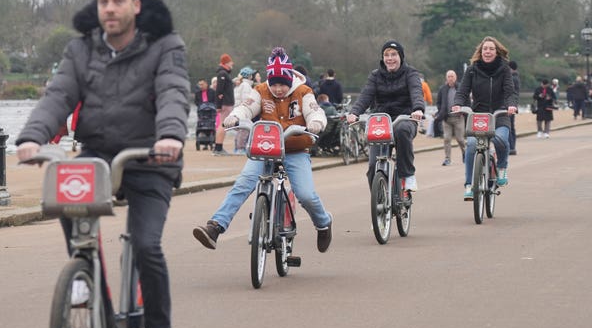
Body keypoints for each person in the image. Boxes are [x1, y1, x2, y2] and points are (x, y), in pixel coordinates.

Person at [15, 0, 188, 328]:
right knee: (63, 187)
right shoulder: (81, 48)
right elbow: (59, 95)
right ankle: (86, 276)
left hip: (149, 156)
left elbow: (173, 92)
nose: (108, 9)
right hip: (98, 153)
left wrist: (169, 137)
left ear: (136, 5)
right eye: (103, 2)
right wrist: (32, 137)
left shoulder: (166, 46)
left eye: (117, 1)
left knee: (146, 244)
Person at [192, 47, 333, 253]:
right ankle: (215, 227)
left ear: (289, 81)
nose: (277, 89)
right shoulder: (260, 90)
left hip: (295, 149)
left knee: (306, 194)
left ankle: (323, 223)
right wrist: (236, 117)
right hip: (265, 149)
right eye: (273, 84)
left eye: (281, 85)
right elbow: (246, 106)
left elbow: (315, 112)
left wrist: (316, 124)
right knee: (243, 183)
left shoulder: (304, 92)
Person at [346, 40, 424, 191]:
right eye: (386, 55)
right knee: (373, 166)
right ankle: (380, 199)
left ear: (400, 56)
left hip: (406, 118)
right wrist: (354, 113)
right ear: (382, 58)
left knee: (401, 131)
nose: (390, 58)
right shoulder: (375, 76)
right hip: (381, 122)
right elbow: (365, 96)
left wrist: (418, 109)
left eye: (393, 54)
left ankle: (408, 175)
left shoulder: (411, 73)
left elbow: (416, 92)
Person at [452, 36, 517, 201]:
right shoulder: (472, 70)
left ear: (497, 52)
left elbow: (510, 91)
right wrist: (458, 104)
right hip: (479, 115)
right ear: (480, 52)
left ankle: (502, 166)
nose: (488, 52)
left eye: (491, 49)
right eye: (485, 49)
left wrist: (510, 105)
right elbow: (462, 90)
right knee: (472, 146)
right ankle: (469, 185)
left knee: (501, 139)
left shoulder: (504, 69)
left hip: (500, 113)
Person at [436, 69, 465, 166]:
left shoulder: (460, 88)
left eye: (452, 76)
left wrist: (463, 111)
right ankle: (447, 158)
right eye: (449, 76)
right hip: (446, 118)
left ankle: (465, 154)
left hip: (458, 118)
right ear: (446, 78)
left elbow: (466, 100)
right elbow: (438, 102)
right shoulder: (442, 89)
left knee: (460, 139)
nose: (450, 78)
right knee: (446, 138)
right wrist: (440, 111)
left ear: (455, 77)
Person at [213, 53, 235, 156]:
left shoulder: (224, 74)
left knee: (223, 125)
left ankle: (218, 147)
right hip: (225, 103)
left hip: (226, 103)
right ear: (226, 63)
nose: (232, 64)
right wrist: (218, 106)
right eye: (231, 62)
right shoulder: (222, 74)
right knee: (223, 124)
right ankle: (218, 148)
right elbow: (219, 91)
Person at [233, 66, 256, 153]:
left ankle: (237, 147)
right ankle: (240, 148)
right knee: (244, 130)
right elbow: (246, 98)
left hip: (238, 109)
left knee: (240, 129)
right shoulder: (246, 85)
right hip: (243, 110)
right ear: (249, 76)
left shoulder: (240, 85)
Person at [508, 61, 520, 155]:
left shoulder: (512, 78)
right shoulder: (516, 77)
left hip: (510, 105)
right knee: (511, 126)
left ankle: (511, 147)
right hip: (514, 104)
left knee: (509, 126)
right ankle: (512, 146)